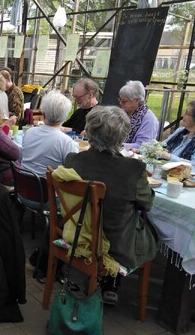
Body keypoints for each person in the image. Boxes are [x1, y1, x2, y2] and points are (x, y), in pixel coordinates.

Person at [63, 105, 156, 305]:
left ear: (89, 130)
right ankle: (112, 282)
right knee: (150, 230)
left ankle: (101, 281)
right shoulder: (133, 169)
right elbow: (147, 203)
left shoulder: (72, 161)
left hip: (76, 235)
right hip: (115, 246)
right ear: (122, 136)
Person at [22, 91, 78, 177]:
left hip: (24, 184)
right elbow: (73, 173)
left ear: (43, 114)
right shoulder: (67, 142)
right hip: (48, 188)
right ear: (65, 116)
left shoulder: (29, 132)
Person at [159, 100, 195, 170]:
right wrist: (141, 150)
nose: (182, 115)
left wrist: (170, 157)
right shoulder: (180, 131)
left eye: (187, 113)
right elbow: (160, 146)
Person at [119, 80, 159, 149]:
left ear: (136, 100)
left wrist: (116, 146)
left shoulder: (149, 119)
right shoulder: (123, 113)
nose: (120, 103)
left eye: (124, 101)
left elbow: (143, 146)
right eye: (120, 100)